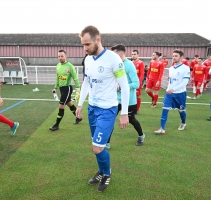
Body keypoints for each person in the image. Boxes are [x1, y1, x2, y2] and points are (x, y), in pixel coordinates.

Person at [76, 25, 129, 192]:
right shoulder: (88, 59)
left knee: (97, 147)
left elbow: (125, 87)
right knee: (97, 144)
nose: (85, 48)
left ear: (97, 40)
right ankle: (101, 171)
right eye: (83, 45)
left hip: (107, 110)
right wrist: (80, 104)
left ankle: (107, 173)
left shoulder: (114, 59)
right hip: (92, 108)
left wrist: (125, 113)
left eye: (87, 45)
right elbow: (86, 82)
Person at [106, 44, 145, 149]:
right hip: (116, 100)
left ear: (121, 53)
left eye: (114, 54)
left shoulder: (129, 65)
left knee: (131, 119)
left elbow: (136, 84)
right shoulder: (115, 65)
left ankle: (141, 136)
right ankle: (107, 143)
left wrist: (121, 87)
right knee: (110, 120)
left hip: (129, 101)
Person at [154, 49, 190, 134]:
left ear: (181, 57)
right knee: (165, 109)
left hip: (180, 94)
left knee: (181, 110)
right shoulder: (171, 68)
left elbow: (185, 82)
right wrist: (169, 87)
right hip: (169, 94)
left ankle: (183, 123)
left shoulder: (185, 68)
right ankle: (162, 129)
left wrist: (173, 89)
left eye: (176, 56)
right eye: (173, 56)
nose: (174, 57)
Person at [49, 49, 82, 131]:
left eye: (62, 56)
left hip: (67, 88)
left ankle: (56, 125)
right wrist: (55, 87)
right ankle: (78, 117)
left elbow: (75, 78)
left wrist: (78, 89)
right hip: (61, 89)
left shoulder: (70, 66)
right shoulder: (58, 65)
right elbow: (57, 77)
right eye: (59, 56)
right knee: (70, 104)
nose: (60, 58)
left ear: (66, 56)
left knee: (61, 105)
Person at [131, 49, 145, 114]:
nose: (133, 56)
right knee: (131, 95)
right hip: (131, 82)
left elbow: (142, 74)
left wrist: (139, 82)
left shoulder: (141, 63)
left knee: (137, 96)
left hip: (137, 83)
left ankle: (137, 110)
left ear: (138, 55)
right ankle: (132, 109)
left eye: (134, 54)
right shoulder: (131, 63)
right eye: (132, 54)